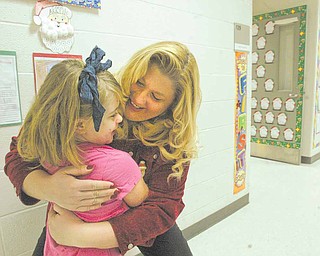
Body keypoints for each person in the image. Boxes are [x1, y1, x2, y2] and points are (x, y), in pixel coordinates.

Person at [4, 41, 201, 256]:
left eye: (155, 97)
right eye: (139, 83)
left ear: (172, 106)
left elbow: (163, 206)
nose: (137, 98)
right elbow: (20, 152)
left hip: (141, 216)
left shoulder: (174, 137)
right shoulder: (94, 91)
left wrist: (79, 235)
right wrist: (48, 187)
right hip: (75, 213)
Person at [15, 46, 149, 256]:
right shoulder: (119, 163)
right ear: (79, 125)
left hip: (57, 249)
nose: (119, 119)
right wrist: (136, 174)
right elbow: (138, 198)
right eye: (112, 115)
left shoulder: (45, 148)